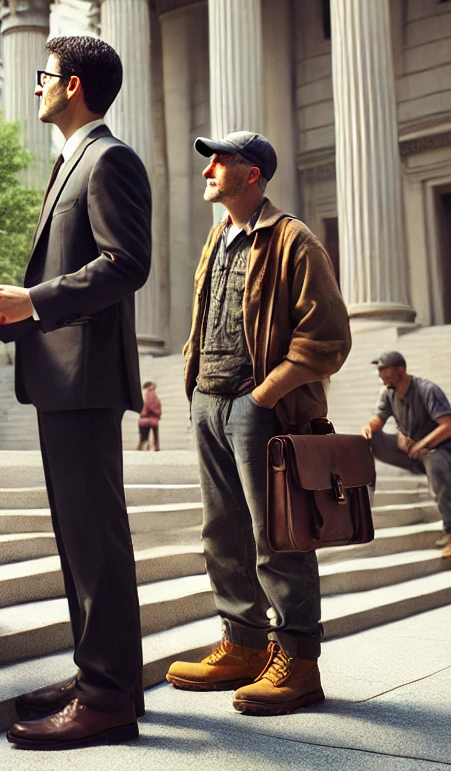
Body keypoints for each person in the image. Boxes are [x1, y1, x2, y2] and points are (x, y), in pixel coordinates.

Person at [0, 35, 151, 750]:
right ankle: (99, 675)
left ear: (71, 86)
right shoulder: (71, 162)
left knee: (95, 540)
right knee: (80, 542)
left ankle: (106, 698)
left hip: (87, 380)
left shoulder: (109, 159)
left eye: (44, 76)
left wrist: (33, 300)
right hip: (58, 376)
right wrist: (8, 316)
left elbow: (126, 265)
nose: (35, 85)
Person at [166, 131, 350, 716]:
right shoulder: (217, 238)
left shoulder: (294, 240)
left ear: (254, 174)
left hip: (258, 407)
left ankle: (298, 662)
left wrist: (264, 395)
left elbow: (328, 337)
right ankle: (244, 645)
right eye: (209, 161)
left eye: (221, 161)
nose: (208, 170)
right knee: (221, 533)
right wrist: (194, 385)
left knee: (280, 535)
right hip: (209, 402)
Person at [360, 351, 451, 559]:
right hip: (410, 451)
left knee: (436, 464)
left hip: (440, 450)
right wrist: (368, 428)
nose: (380, 373)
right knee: (368, 441)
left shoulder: (428, 390)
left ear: (400, 370)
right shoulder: (388, 392)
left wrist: (423, 445)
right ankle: (363, 506)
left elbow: (448, 426)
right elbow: (378, 419)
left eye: (383, 369)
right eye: (378, 369)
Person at [138, 381, 161, 451]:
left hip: (147, 418)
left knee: (143, 436)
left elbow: (149, 406)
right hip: (151, 418)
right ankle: (154, 446)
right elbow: (151, 406)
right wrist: (158, 413)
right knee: (152, 433)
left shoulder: (148, 394)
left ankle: (142, 446)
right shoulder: (151, 394)